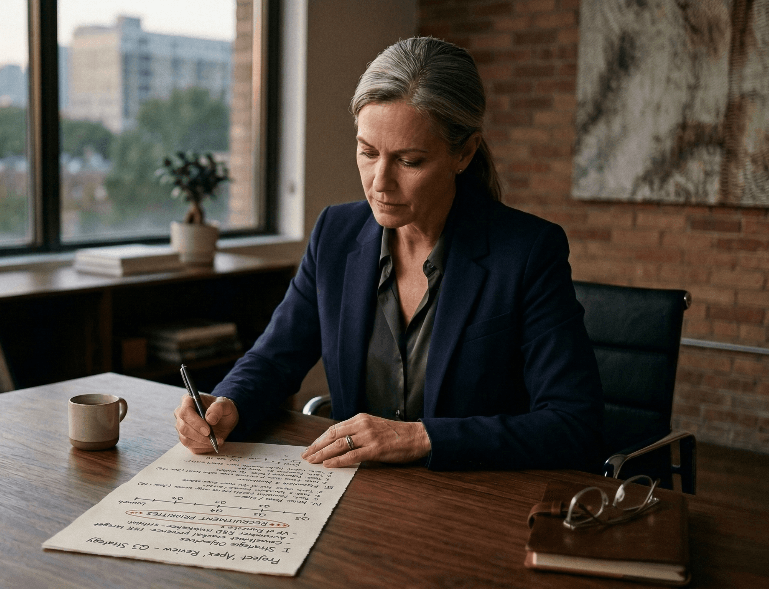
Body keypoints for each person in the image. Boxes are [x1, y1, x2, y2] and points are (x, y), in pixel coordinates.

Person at [174, 37, 604, 472]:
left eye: (409, 161)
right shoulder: (335, 234)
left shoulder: (528, 252)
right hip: (353, 499)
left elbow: (574, 423)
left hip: (472, 502)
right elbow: (274, 356)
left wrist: (421, 437)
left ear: (465, 152)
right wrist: (228, 401)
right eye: (367, 152)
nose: (379, 181)